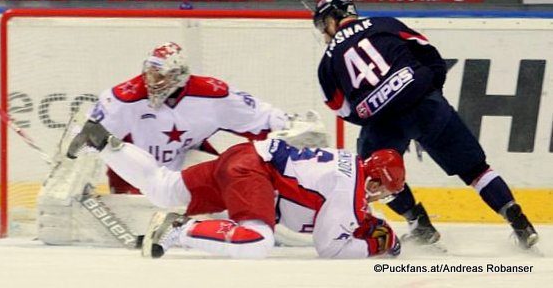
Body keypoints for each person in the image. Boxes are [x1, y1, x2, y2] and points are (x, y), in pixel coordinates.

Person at [312, 0, 538, 249]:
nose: (324, 33)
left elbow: (341, 109)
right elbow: (429, 53)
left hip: (383, 122)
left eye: (323, 25)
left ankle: (419, 224)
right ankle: (519, 221)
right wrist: (430, 93)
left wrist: (371, 114)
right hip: (426, 104)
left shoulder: (327, 63)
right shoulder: (385, 24)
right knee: (476, 170)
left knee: (372, 176)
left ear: (331, 20)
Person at [67, 120, 405, 259]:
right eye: (380, 193)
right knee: (258, 240)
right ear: (374, 181)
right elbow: (330, 247)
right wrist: (376, 243)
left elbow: (334, 212)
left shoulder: (348, 166)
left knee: (164, 187)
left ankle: (102, 142)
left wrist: (364, 225)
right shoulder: (352, 186)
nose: (375, 199)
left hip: (245, 155)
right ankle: (180, 229)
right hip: (254, 173)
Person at [87, 41, 294, 194]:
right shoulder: (124, 98)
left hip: (183, 170)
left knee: (228, 173)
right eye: (149, 74)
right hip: (136, 177)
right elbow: (87, 135)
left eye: (160, 76)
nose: (151, 82)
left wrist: (289, 125)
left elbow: (260, 118)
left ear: (178, 75)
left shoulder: (211, 94)